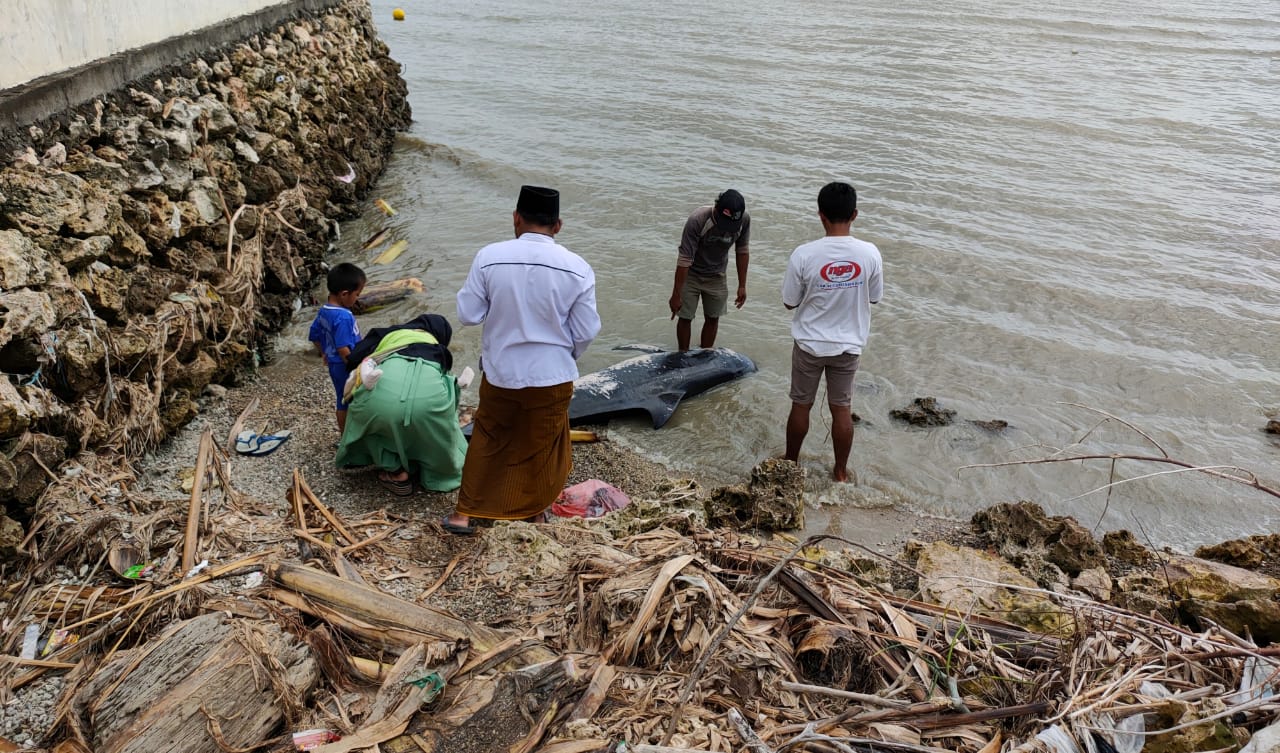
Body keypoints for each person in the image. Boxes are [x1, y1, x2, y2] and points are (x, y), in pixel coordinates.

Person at [443, 185, 601, 534]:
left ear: (516, 218)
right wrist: (567, 355)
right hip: (553, 375)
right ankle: (533, 513)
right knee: (543, 444)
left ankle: (464, 514)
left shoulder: (489, 257)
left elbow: (468, 314)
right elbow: (587, 329)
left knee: (487, 437)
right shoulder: (578, 268)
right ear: (558, 225)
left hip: (501, 372)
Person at [781, 182, 883, 482]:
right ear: (854, 214)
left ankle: (790, 463)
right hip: (848, 345)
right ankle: (840, 473)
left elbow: (789, 302)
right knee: (842, 409)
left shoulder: (804, 254)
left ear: (820, 215)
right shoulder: (870, 253)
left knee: (801, 405)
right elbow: (875, 297)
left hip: (809, 343)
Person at [336, 313, 467, 495]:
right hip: (428, 409)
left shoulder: (390, 335)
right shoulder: (439, 350)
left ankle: (395, 471)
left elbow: (353, 359)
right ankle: (436, 475)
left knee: (368, 413)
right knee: (435, 424)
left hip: (380, 405)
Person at [668, 189, 750, 351]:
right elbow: (684, 259)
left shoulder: (743, 220)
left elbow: (742, 250)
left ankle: (705, 354)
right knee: (685, 317)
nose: (727, 229)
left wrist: (742, 286)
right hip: (691, 273)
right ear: (716, 208)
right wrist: (676, 295)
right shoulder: (698, 220)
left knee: (713, 317)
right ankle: (682, 354)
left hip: (717, 275)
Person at [309, 262, 366, 433]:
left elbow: (314, 335)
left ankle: (346, 434)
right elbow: (343, 348)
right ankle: (346, 436)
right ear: (344, 294)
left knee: (342, 397)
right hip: (345, 365)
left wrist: (324, 353)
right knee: (347, 400)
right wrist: (356, 367)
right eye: (357, 294)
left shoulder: (324, 310)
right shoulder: (344, 317)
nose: (357, 299)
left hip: (334, 364)